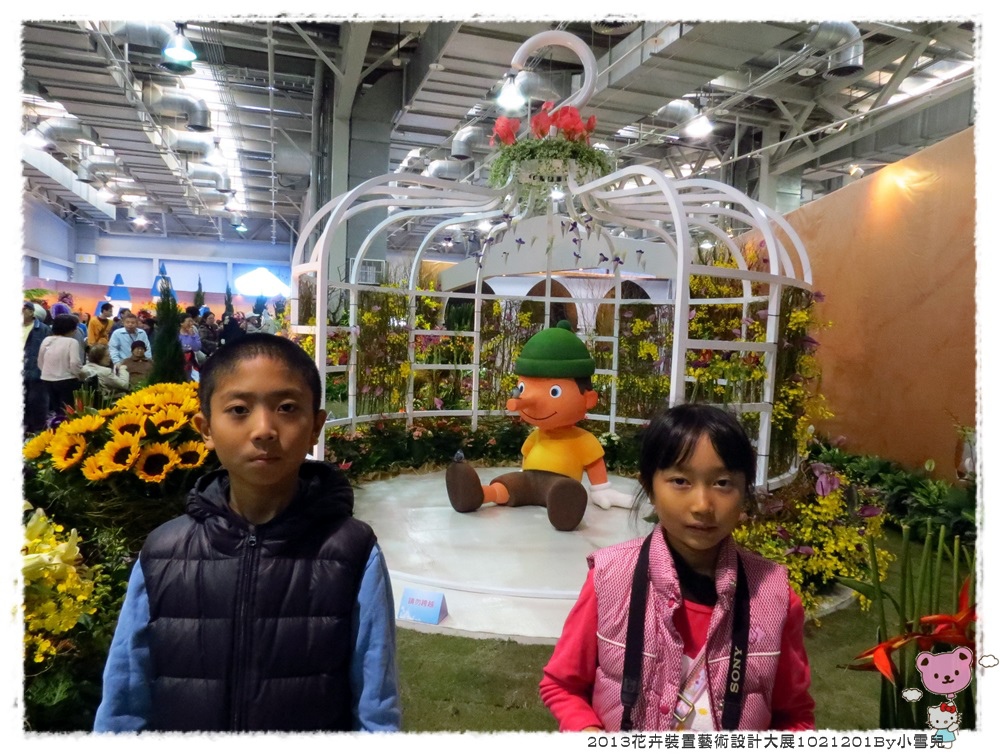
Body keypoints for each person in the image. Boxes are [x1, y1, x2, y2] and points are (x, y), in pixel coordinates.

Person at [93, 333, 401, 732]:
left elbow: (376, 707)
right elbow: (123, 701)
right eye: (239, 410)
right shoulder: (164, 552)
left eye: (287, 408)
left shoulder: (352, 551)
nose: (264, 429)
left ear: (316, 426)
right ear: (206, 428)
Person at [539, 403, 815, 732]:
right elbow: (562, 685)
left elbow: (794, 716)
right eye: (681, 480)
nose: (702, 505)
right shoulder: (610, 579)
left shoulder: (774, 598)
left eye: (723, 483)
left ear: (744, 492)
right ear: (650, 487)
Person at [38, 314, 84, 417]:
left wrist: (46, 371)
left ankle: (57, 424)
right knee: (68, 410)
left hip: (47, 379)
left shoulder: (47, 340)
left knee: (56, 409)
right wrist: (78, 374)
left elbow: (40, 360)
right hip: (66, 379)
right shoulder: (72, 342)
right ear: (71, 329)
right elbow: (74, 362)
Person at [23, 301, 51, 434]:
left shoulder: (43, 329)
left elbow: (49, 350)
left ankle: (38, 430)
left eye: (23, 309)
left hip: (36, 371)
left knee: (37, 402)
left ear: (31, 312)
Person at [178, 316, 202, 380]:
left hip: (191, 361)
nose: (191, 323)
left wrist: (192, 336)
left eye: (192, 321)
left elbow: (197, 348)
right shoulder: (177, 335)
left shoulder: (194, 334)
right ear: (181, 323)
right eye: (189, 321)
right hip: (179, 361)